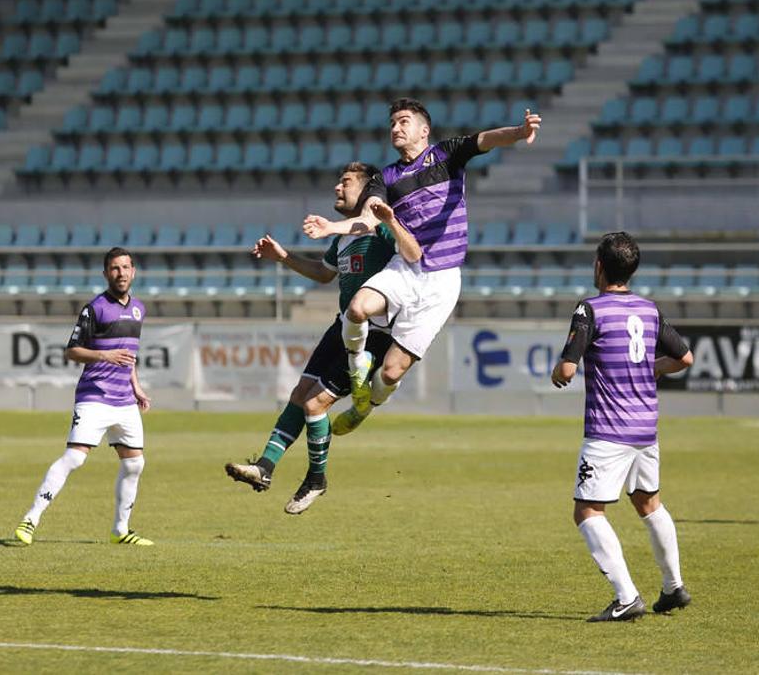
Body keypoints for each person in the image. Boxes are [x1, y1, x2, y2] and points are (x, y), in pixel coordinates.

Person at [303, 98, 541, 433]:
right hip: (406, 266)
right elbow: (368, 219)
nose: (395, 129)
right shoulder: (385, 178)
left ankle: (367, 406)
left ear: (423, 130)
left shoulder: (446, 154)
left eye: (403, 122)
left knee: (389, 373)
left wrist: (519, 132)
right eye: (392, 124)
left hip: (442, 281)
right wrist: (332, 226)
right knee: (358, 309)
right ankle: (358, 373)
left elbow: (485, 139)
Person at [225, 162, 421, 514]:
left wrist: (390, 221)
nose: (336, 188)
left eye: (345, 182)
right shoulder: (344, 237)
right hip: (342, 326)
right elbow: (322, 273)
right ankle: (264, 468)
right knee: (300, 394)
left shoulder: (380, 230)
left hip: (375, 334)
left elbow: (413, 253)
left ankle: (316, 479)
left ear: (366, 191)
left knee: (316, 404)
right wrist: (282, 256)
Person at [551, 231, 694, 622]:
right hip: (645, 427)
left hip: (608, 430)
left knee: (587, 511)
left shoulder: (590, 309)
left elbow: (566, 368)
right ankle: (673, 587)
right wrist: (651, 369)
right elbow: (685, 358)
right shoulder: (649, 309)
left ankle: (626, 596)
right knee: (649, 502)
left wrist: (558, 372)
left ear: (599, 266)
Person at [14, 247, 153, 546]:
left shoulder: (139, 309)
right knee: (75, 458)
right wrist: (104, 355)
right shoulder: (95, 308)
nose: (121, 273)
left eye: (126, 267)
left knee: (134, 465)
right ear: (106, 274)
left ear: (134, 271)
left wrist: (136, 387)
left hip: (124, 401)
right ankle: (31, 518)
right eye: (115, 268)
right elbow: (71, 350)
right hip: (95, 397)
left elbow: (128, 357)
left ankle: (121, 530)